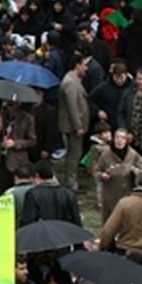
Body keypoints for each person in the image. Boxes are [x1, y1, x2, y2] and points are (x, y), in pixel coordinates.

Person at [59, 52, 92, 190]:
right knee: (74, 155)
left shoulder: (74, 80)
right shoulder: (70, 82)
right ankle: (70, 183)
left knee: (75, 155)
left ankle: (73, 181)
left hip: (75, 126)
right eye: (84, 65)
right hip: (72, 127)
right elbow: (72, 107)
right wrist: (78, 126)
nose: (86, 68)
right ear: (77, 65)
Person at [20, 160, 82, 227]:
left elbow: (28, 220)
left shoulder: (32, 194)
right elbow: (76, 219)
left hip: (43, 232)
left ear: (37, 175)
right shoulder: (69, 193)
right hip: (65, 232)